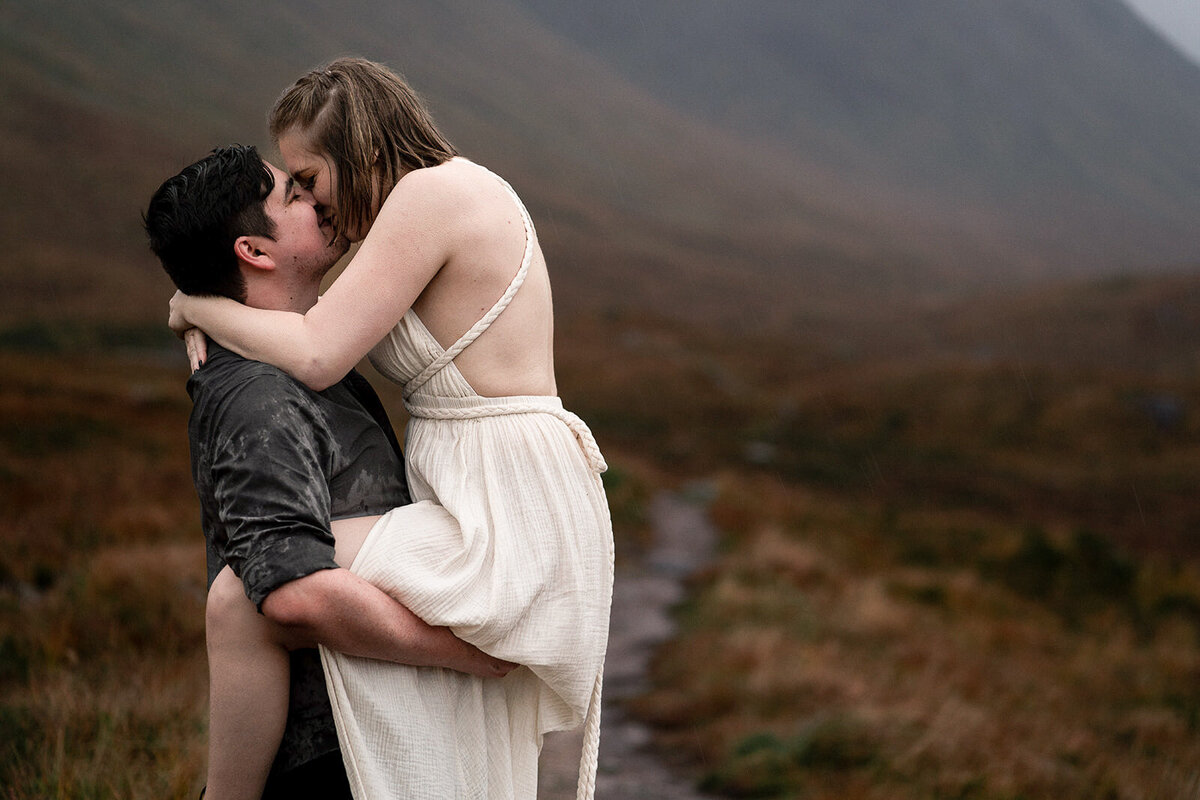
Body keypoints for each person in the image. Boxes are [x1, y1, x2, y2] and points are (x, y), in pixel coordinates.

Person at [168, 58, 615, 800]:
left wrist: (195, 309)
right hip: (488, 499)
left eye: (308, 178)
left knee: (246, 594)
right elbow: (297, 305)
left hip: (504, 515)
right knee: (266, 587)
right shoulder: (427, 206)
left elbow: (312, 350)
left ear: (363, 154)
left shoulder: (431, 198)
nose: (306, 199)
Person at [145, 144, 513, 800]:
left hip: (368, 730)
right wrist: (463, 653)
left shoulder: (304, 358)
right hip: (329, 758)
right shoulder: (259, 394)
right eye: (293, 197)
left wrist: (192, 306)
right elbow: (292, 594)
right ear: (254, 252)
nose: (319, 201)